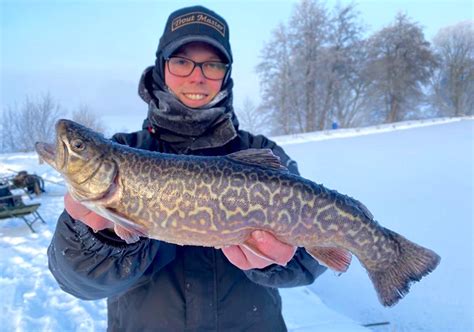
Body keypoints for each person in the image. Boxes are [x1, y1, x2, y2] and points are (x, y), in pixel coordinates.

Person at [48, 5, 326, 331]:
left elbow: (314, 257)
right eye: (181, 61)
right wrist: (104, 242)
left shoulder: (263, 154)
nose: (197, 75)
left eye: (212, 64)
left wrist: (278, 261)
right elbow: (77, 282)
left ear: (226, 73)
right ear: (161, 67)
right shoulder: (126, 147)